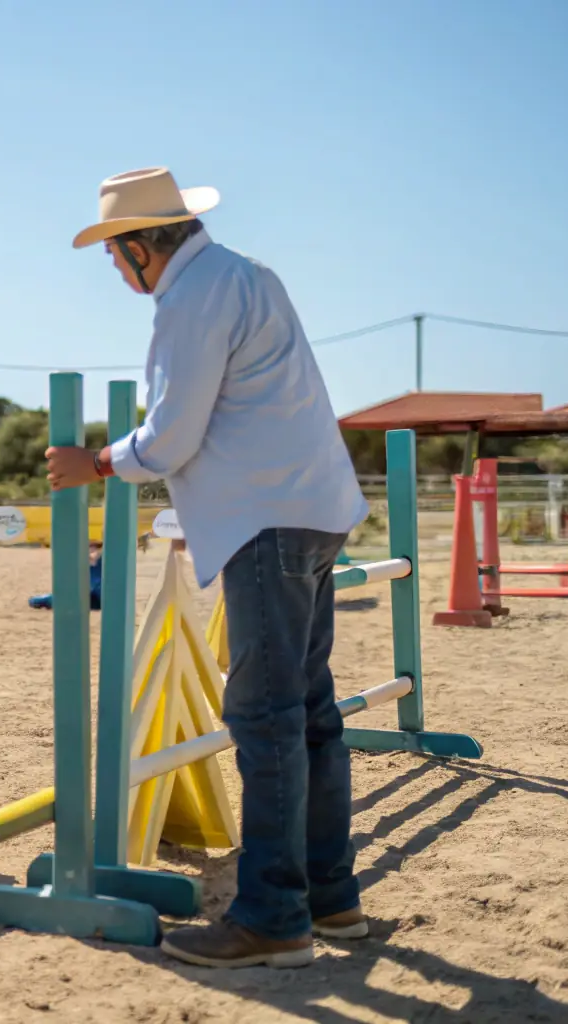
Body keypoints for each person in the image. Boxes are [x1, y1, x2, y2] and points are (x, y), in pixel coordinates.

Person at [45, 168, 370, 968]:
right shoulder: (250, 275)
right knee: (309, 714)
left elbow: (170, 436)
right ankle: (330, 901)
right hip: (315, 507)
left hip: (263, 518)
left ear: (136, 247)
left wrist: (94, 461)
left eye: (115, 258)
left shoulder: (187, 301)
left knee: (263, 720)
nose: (117, 273)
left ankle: (273, 919)